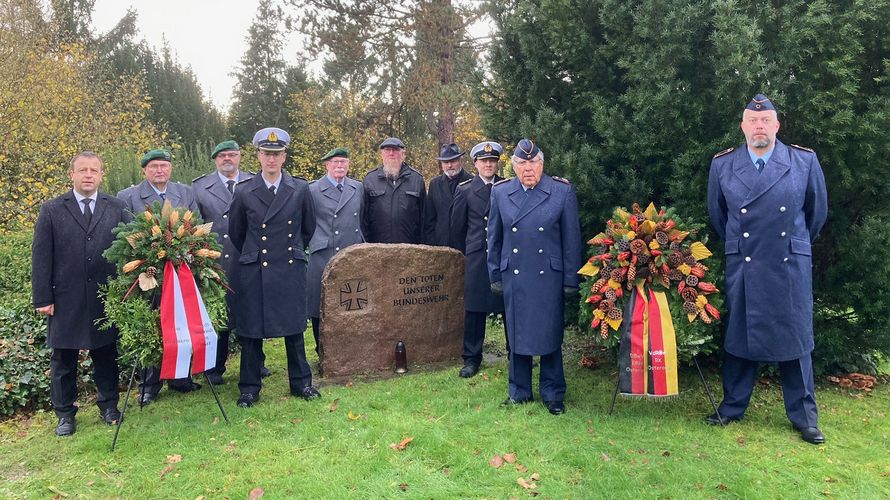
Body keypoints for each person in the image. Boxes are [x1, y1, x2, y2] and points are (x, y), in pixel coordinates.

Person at [706, 93, 828, 444]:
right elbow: (719, 216)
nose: (759, 126)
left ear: (776, 125)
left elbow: (815, 214)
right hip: (745, 259)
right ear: (743, 126)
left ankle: (804, 417)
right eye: (752, 121)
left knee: (794, 337)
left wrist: (794, 243)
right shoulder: (723, 165)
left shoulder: (803, 161)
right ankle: (732, 406)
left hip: (789, 262)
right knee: (742, 333)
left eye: (766, 121)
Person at [32, 151, 131, 436]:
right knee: (63, 358)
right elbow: (41, 257)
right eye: (83, 170)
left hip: (104, 294)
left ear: (101, 175)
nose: (88, 175)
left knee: (106, 353)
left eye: (94, 170)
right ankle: (65, 415)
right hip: (65, 297)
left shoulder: (117, 206)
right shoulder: (51, 209)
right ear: (72, 175)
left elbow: (128, 249)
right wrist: (43, 298)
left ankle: (109, 406)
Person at [487, 139, 582, 415]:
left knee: (549, 333)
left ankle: (553, 393)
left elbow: (571, 240)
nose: (528, 169)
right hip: (514, 274)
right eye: (522, 163)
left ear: (542, 164)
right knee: (516, 334)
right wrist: (494, 272)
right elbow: (494, 237)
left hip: (548, 277)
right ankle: (519, 391)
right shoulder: (501, 193)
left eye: (533, 163)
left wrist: (570, 279)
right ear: (514, 166)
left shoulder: (561, 192)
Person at [228, 127, 319, 407]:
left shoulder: (300, 188)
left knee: (293, 328)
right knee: (252, 331)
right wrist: (255, 252)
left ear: (284, 157)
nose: (271, 159)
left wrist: (291, 250)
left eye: (276, 154)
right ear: (258, 156)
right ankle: (249, 388)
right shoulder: (244, 191)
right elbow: (236, 233)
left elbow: (308, 227)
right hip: (255, 268)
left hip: (289, 266)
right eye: (267, 154)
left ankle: (301, 383)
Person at [118, 149, 201, 404]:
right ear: (144, 170)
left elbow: (196, 225)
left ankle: (180, 378)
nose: (159, 171)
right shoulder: (128, 196)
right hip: (148, 273)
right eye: (154, 166)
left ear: (171, 169)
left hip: (180, 271)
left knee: (180, 322)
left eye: (164, 166)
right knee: (153, 325)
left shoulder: (185, 192)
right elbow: (123, 236)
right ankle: (149, 385)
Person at [192, 140, 270, 385]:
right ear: (215, 159)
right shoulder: (200, 187)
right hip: (217, 260)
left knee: (251, 313)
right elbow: (194, 224)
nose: (228, 159)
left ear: (240, 157)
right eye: (223, 155)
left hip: (249, 258)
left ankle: (257, 362)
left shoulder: (254, 182)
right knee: (220, 317)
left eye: (232, 155)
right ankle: (216, 368)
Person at [450, 141, 508, 378]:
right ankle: (472, 358)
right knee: (473, 309)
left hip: (503, 255)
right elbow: (456, 229)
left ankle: (516, 353)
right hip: (476, 256)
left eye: (492, 161)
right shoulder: (464, 190)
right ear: (475, 164)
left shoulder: (507, 187)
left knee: (508, 306)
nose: (488, 165)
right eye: (484, 161)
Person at [307, 147, 365, 355]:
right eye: (335, 162)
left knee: (353, 301)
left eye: (343, 162)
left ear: (348, 165)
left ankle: (352, 348)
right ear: (327, 165)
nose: (339, 166)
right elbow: (305, 222)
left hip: (352, 251)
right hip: (324, 251)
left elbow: (362, 218)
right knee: (318, 303)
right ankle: (321, 349)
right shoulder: (312, 189)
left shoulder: (357, 188)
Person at [362, 137, 426, 243]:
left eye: (395, 150)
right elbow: (363, 219)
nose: (391, 153)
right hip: (377, 248)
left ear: (403, 154)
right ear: (381, 155)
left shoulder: (416, 179)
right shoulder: (370, 179)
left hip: (411, 248)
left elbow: (424, 217)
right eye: (387, 150)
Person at [425, 143, 471, 245]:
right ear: (441, 165)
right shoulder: (434, 184)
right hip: (441, 245)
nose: (449, 165)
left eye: (453, 161)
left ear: (461, 161)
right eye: (446, 162)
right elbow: (430, 219)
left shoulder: (472, 182)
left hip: (465, 246)